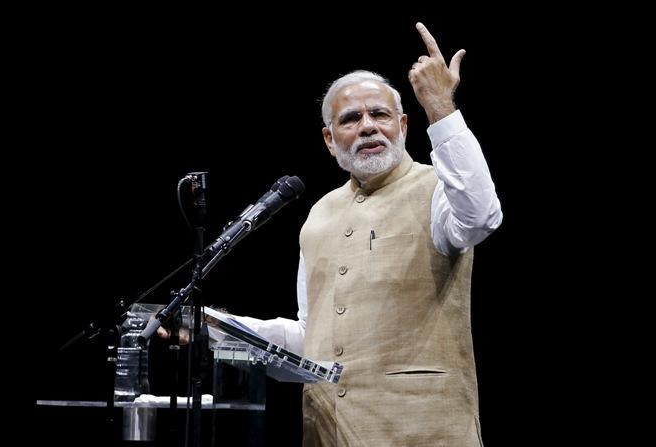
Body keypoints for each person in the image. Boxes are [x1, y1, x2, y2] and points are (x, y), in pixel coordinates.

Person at [165, 22, 502, 446]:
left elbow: (481, 217)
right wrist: (214, 328)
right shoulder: (320, 214)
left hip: (422, 432)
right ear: (329, 139)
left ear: (403, 125)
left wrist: (440, 108)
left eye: (379, 115)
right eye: (350, 119)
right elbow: (314, 338)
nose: (367, 126)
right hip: (330, 434)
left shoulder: (438, 189)